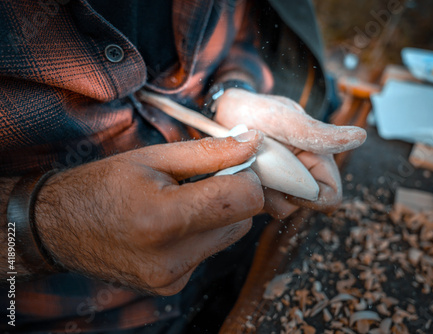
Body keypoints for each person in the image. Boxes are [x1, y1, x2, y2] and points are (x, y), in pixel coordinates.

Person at [0, 0, 366, 332]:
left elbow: (242, 26)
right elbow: (34, 227)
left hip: (237, 250)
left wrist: (230, 91)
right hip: (81, 315)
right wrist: (46, 225)